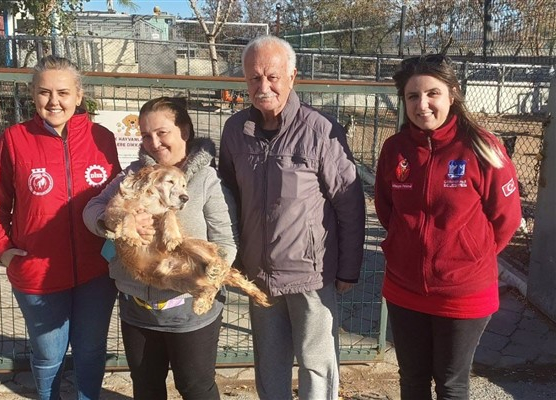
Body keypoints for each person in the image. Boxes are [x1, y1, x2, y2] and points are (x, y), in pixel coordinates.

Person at [218, 35, 366, 399]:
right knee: (269, 365)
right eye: (254, 78)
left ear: (292, 77)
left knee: (317, 364)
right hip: (258, 275)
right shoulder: (236, 131)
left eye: (272, 77)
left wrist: (348, 268)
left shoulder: (319, 131)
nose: (263, 86)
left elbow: (349, 202)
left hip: (310, 275)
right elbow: (226, 197)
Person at [374, 54, 522, 400]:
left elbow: (507, 219)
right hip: (403, 288)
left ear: (452, 95)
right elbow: (386, 209)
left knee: (451, 384)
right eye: (413, 96)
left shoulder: (483, 147)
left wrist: (468, 253)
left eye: (432, 94)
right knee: (412, 378)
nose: (422, 104)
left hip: (463, 293)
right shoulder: (394, 149)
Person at [0, 55, 121, 400]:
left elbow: (119, 196)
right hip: (37, 273)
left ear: (78, 94)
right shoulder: (15, 140)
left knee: (90, 351)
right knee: (48, 355)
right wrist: (3, 250)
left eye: (63, 92)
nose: (54, 101)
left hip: (96, 272)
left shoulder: (102, 138)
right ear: (33, 95)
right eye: (44, 92)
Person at [83, 97, 238, 400]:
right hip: (137, 306)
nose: (154, 143)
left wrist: (203, 277)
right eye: (145, 135)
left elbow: (226, 244)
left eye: (162, 132)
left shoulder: (207, 180)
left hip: (189, 311)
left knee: (195, 387)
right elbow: (92, 210)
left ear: (184, 131)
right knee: (147, 388)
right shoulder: (135, 175)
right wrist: (113, 221)